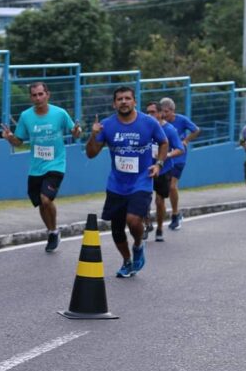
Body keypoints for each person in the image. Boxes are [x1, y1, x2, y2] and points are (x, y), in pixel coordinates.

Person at [86, 86, 168, 278]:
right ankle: (127, 261)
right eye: (120, 99)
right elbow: (91, 154)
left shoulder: (148, 122)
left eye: (127, 98)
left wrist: (159, 164)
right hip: (116, 184)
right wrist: (93, 134)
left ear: (134, 102)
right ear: (114, 103)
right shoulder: (107, 125)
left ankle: (138, 244)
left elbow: (163, 143)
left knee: (133, 220)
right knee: (116, 230)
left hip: (142, 181)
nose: (124, 102)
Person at [1, 82, 81, 252]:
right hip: (36, 167)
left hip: (56, 164)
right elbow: (19, 140)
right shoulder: (26, 116)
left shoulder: (60, 113)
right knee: (40, 204)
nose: (38, 98)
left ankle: (53, 230)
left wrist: (76, 132)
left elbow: (75, 132)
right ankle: (52, 231)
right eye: (34, 95)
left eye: (40, 94)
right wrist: (9, 137)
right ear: (31, 97)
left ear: (47, 94)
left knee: (46, 199)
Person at [159, 97, 201, 230]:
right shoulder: (160, 123)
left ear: (173, 110)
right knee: (159, 190)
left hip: (178, 158)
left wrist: (186, 140)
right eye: (162, 111)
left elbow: (196, 130)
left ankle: (175, 214)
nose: (164, 114)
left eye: (167, 111)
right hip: (164, 159)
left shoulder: (181, 120)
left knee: (172, 186)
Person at [144, 101, 184, 242]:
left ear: (161, 113)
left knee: (159, 200)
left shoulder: (169, 130)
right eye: (147, 112)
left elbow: (180, 149)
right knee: (142, 198)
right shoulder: (144, 127)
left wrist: (167, 155)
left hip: (163, 169)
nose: (149, 115)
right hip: (145, 169)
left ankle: (160, 227)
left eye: (152, 112)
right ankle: (147, 223)